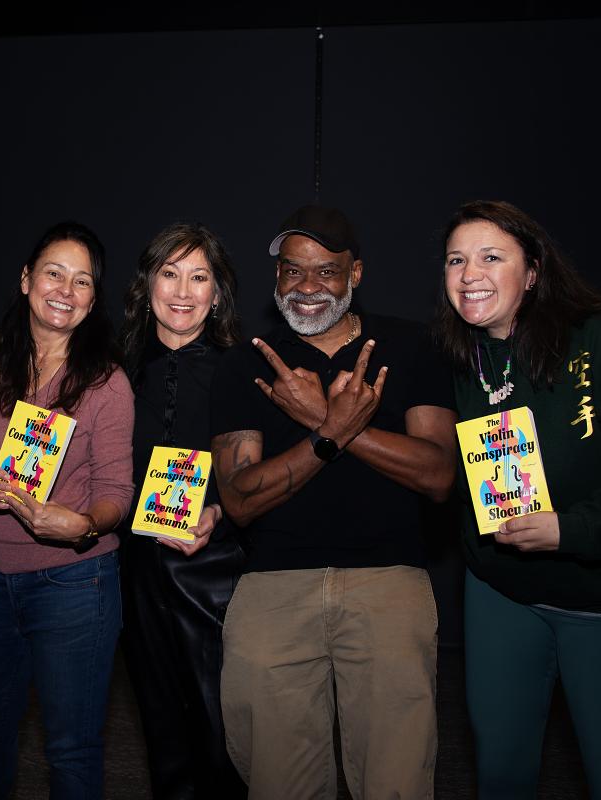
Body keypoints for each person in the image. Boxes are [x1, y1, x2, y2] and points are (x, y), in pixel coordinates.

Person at [438, 200, 601, 799]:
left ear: (533, 270)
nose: (469, 273)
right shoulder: (459, 359)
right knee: (499, 775)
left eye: (490, 257)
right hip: (502, 594)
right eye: (455, 260)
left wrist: (569, 530)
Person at [209, 204, 458, 800]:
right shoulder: (247, 361)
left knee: (396, 781)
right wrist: (328, 434)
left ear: (357, 273)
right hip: (273, 586)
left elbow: (440, 475)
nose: (309, 286)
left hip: (388, 580)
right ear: (276, 279)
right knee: (277, 781)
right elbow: (241, 501)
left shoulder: (410, 345)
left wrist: (326, 418)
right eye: (294, 271)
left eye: (327, 271)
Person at [0, 221, 134, 799]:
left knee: (71, 751)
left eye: (83, 281)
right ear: (27, 279)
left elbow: (117, 493)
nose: (66, 289)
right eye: (54, 272)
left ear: (94, 298)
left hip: (77, 584)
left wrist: (82, 525)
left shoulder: (107, 383)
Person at [118, 222, 247, 799]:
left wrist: (218, 510)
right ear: (148, 284)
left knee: (223, 735)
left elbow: (257, 472)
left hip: (216, 567)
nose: (183, 290)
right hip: (137, 566)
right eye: (169, 273)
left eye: (200, 276)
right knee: (160, 725)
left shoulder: (241, 368)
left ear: (217, 293)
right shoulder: (115, 367)